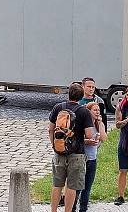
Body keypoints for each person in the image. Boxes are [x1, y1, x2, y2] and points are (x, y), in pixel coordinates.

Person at [48, 83, 94, 212]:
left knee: (57, 185)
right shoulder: (83, 111)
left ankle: (53, 210)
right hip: (77, 153)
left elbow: (50, 129)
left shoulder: (58, 107)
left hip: (59, 152)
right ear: (81, 96)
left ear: (69, 94)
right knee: (72, 187)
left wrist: (54, 145)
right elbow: (89, 134)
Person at [75, 102, 107, 212]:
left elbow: (104, 139)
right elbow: (77, 139)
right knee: (78, 186)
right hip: (82, 158)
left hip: (92, 159)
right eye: (95, 110)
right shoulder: (84, 124)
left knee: (87, 187)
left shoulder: (98, 124)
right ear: (88, 112)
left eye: (98, 110)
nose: (98, 112)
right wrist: (87, 141)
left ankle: (83, 208)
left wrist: (101, 124)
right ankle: (73, 207)